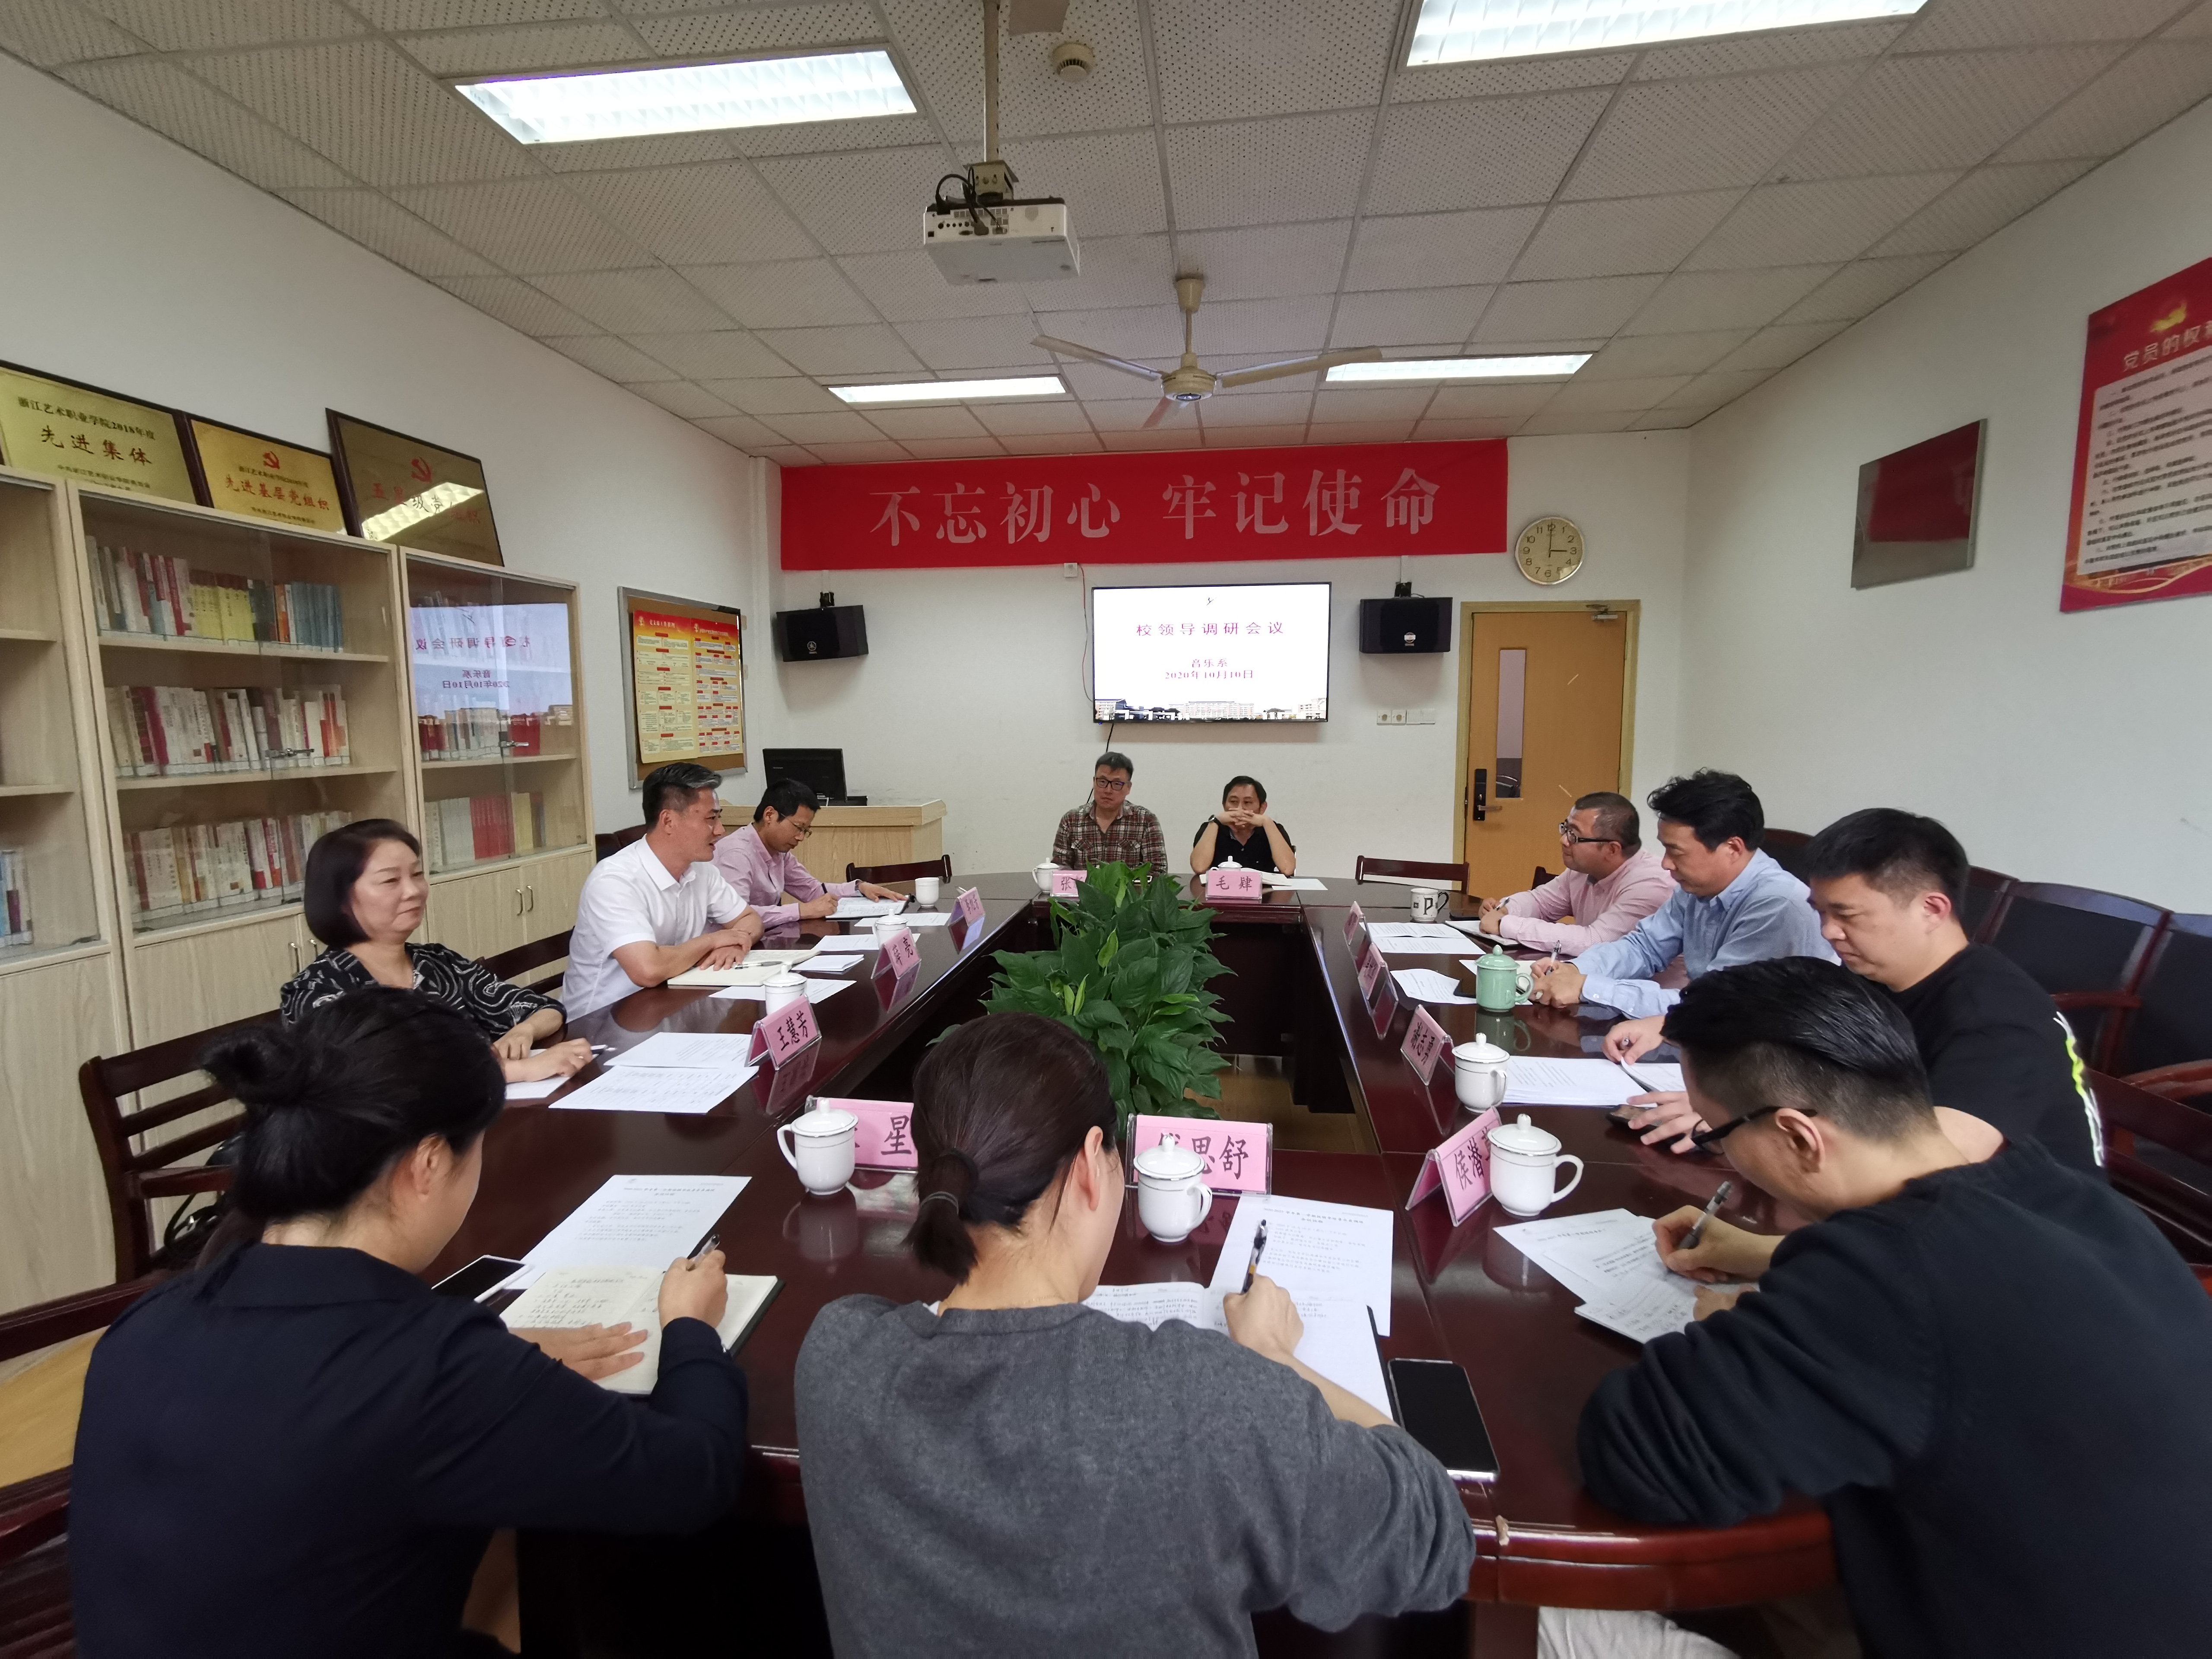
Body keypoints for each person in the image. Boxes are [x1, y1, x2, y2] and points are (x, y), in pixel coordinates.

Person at [70, 990, 749, 1659]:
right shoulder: (435, 1367)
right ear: (428, 1165)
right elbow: (696, 1476)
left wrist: (493, 1362)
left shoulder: (146, 1325)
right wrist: (689, 1327)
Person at [1570, 958, 2212, 1659]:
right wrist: (1771, 1256)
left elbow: (1636, 1455)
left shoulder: (1882, 1276)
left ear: (1799, 1136)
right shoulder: (2066, 1195)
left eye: (1718, 1135)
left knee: (1558, 1619)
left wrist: (1724, 1331)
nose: (1723, 1159)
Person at [796, 1013, 1475, 1656]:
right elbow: (1433, 1534)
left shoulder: (839, 1361)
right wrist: (1272, 1357)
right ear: (1091, 1166)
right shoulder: (1203, 1401)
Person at [1611, 808, 2101, 1172]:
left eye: (1846, 915)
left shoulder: (1996, 1018)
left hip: (2032, 1241)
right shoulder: (1875, 977)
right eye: (1822, 913)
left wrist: (1740, 1126)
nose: (1828, 932)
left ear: (1931, 909)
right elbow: (1781, 1022)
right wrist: (1672, 1027)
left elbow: (1933, 1168)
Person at [279, 819, 590, 1086]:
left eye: (416, 875)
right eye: (390, 880)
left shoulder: (438, 963)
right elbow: (379, 1082)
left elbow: (544, 1008)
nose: (414, 891)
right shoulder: (318, 992)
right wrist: (519, 1071)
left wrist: (524, 1031)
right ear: (341, 900)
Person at [1533, 769, 1831, 1016]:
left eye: (1676, 852)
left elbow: (1711, 1004)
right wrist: (1573, 970)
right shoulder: (1697, 887)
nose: (1666, 864)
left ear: (1732, 848)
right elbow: (1644, 947)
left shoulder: (1777, 905)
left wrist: (1588, 987)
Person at [565, 762, 763, 1016]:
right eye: (711, 819)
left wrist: (735, 943)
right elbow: (648, 970)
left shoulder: (701, 870)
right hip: (601, 1022)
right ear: (668, 821)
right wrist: (714, 940)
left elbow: (749, 919)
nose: (720, 830)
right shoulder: (615, 880)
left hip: (669, 1004)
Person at [1476, 791, 1674, 955]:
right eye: (1565, 829)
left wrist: (1505, 924)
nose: (1564, 840)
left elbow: (1595, 942)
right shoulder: (1582, 870)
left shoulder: (1650, 884)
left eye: (1574, 836)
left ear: (1612, 850)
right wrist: (1505, 909)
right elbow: (1540, 903)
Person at [713, 778, 903, 930]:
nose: (801, 837)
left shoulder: (779, 852)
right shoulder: (736, 853)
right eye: (798, 827)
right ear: (770, 815)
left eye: (806, 831)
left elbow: (811, 890)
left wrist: (859, 888)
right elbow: (739, 917)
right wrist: (801, 911)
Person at [1050, 749, 1166, 873]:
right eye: (1103, 782)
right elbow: (1060, 867)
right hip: (1083, 887)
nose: (1108, 790)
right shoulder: (1071, 820)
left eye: (1117, 784)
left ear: (1128, 788)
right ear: (1094, 782)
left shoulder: (1146, 821)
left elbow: (1158, 870)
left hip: (1128, 887)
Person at [1189, 774, 1297, 876]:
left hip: (1263, 889)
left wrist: (1267, 822)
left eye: (1248, 803)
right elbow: (1199, 868)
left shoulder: (1273, 829)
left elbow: (1288, 869)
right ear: (1224, 805)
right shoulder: (1211, 828)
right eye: (1233, 802)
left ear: (1262, 808)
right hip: (1223, 888)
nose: (1239, 809)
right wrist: (1216, 821)